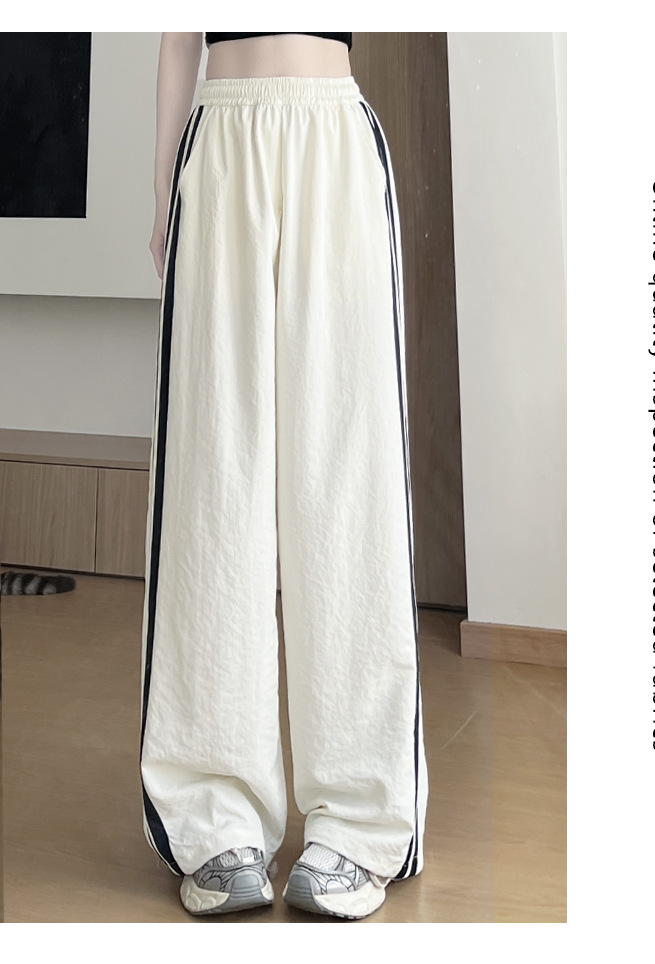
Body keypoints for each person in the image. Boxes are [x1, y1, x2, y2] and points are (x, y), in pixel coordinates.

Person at [140, 32, 428, 921]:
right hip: (221, 137)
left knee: (347, 484)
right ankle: (214, 814)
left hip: (333, 136)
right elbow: (176, 36)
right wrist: (163, 193)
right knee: (213, 484)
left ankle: (361, 819)